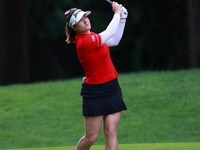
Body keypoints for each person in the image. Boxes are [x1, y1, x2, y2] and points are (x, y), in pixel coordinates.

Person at [64, 2, 128, 150]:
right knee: (91, 138)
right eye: (81, 20)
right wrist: (117, 13)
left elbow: (114, 40)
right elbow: (110, 32)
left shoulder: (92, 36)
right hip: (94, 93)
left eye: (86, 16)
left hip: (112, 87)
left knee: (111, 131)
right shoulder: (84, 42)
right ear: (75, 27)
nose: (86, 20)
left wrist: (122, 18)